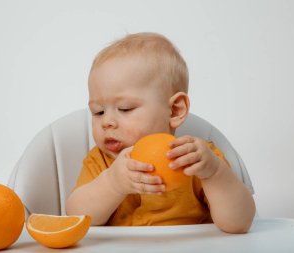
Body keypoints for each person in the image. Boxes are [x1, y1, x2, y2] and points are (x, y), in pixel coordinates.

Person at [66, 32, 255, 233]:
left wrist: (215, 174)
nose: (107, 122)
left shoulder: (194, 158)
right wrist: (113, 183)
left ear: (174, 110)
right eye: (98, 112)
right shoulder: (100, 162)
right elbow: (76, 216)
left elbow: (239, 224)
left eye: (125, 109)